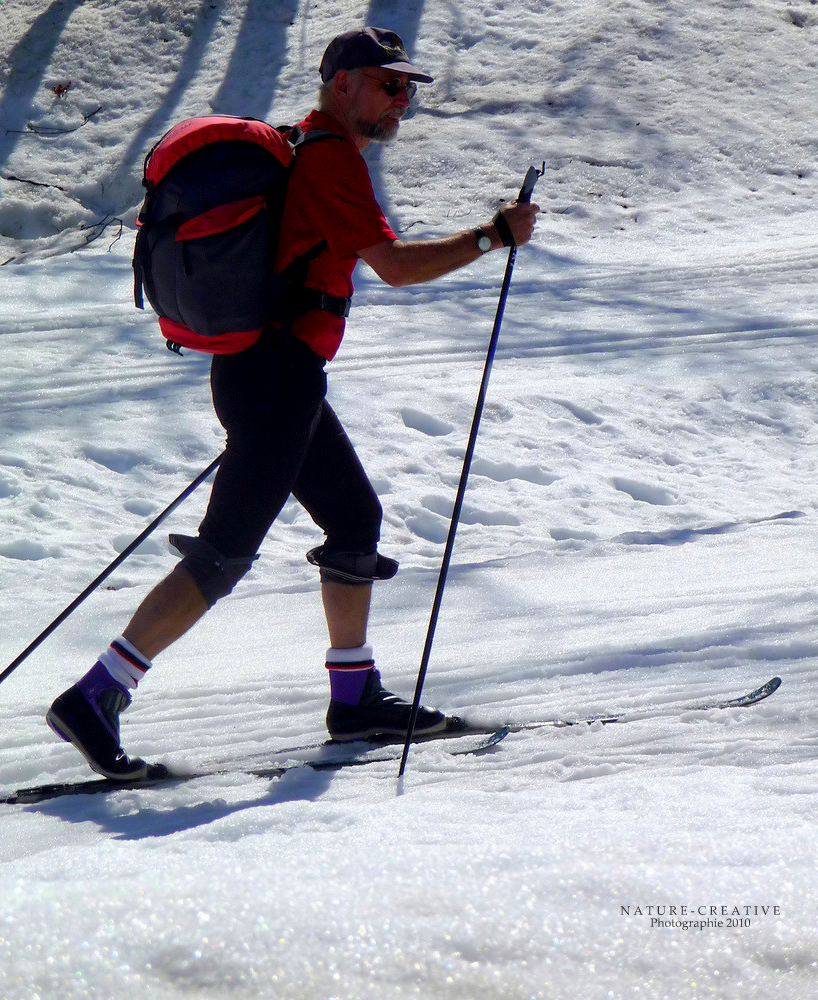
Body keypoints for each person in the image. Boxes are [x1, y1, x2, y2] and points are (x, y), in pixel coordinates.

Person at [47, 26, 538, 779]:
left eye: (406, 88)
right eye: (387, 83)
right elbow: (398, 268)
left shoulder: (306, 148)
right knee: (224, 552)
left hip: (277, 375)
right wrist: (490, 236)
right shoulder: (330, 158)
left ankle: (354, 699)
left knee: (353, 521)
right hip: (274, 378)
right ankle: (97, 692)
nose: (399, 101)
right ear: (340, 83)